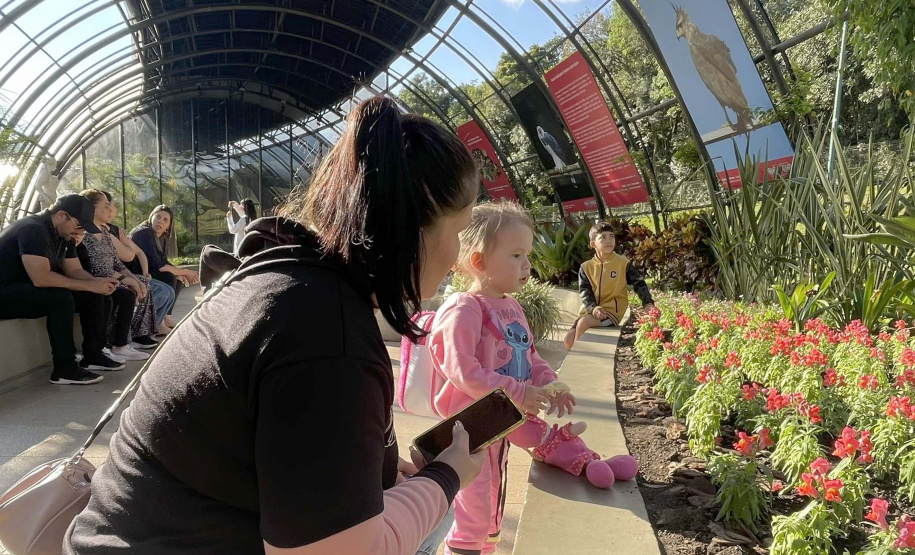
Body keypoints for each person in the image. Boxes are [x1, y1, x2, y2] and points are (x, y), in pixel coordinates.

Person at [64, 96, 485, 555]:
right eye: (459, 231)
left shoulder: (282, 275)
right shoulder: (325, 336)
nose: (460, 255)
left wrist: (361, 472)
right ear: (412, 228)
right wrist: (446, 477)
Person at [427, 201, 576, 555]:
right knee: (473, 513)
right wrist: (517, 391)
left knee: (493, 507)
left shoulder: (512, 306)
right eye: (516, 255)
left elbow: (530, 356)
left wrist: (548, 382)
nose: (527, 264)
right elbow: (462, 371)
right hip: (469, 430)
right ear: (478, 262)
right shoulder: (463, 308)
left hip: (500, 423)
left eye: (527, 254)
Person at [0, 194, 123, 384]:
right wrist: (91, 284)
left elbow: (74, 270)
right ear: (61, 215)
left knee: (95, 294)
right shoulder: (33, 229)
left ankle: (93, 355)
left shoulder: (64, 234)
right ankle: (64, 368)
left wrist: (98, 283)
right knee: (60, 298)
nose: (79, 230)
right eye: (78, 224)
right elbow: (41, 278)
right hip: (5, 292)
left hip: (25, 288)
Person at [76, 189, 156, 359]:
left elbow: (116, 263)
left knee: (140, 286)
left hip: (110, 277)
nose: (110, 210)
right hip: (94, 280)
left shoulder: (104, 232)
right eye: (106, 206)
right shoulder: (83, 234)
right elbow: (93, 268)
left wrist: (135, 279)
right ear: (92, 208)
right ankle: (115, 343)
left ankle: (127, 340)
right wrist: (127, 280)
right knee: (124, 294)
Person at [563, 221, 654, 351]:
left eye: (611, 236)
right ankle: (577, 353)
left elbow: (639, 283)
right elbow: (585, 292)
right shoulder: (586, 267)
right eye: (603, 237)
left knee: (584, 323)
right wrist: (593, 308)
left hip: (611, 312)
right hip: (591, 311)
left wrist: (647, 303)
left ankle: (579, 356)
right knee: (567, 340)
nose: (609, 240)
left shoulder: (622, 263)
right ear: (593, 244)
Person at [97, 191, 175, 336]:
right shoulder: (142, 232)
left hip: (128, 273)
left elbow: (139, 254)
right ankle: (137, 332)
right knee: (163, 289)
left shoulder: (112, 229)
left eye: (165, 220)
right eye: (108, 206)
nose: (112, 209)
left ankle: (152, 328)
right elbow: (129, 256)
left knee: (167, 285)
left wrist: (144, 273)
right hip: (111, 276)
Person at [129, 205, 199, 328]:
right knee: (169, 276)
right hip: (134, 273)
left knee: (176, 277)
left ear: (169, 226)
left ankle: (166, 317)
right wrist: (186, 272)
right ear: (151, 217)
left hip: (147, 271)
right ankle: (160, 323)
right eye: (158, 217)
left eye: (165, 220)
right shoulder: (145, 232)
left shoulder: (159, 238)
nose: (160, 221)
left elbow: (163, 261)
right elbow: (159, 266)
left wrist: (181, 273)